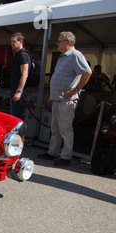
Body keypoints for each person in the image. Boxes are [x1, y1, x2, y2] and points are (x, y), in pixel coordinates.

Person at [38, 31, 92, 167]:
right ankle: (53, 152)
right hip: (58, 98)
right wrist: (52, 96)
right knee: (55, 127)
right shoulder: (63, 57)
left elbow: (87, 72)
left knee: (65, 128)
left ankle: (66, 156)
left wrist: (75, 90)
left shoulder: (75, 55)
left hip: (66, 100)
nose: (57, 43)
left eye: (60, 41)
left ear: (69, 42)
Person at [9, 32, 31, 120]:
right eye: (11, 42)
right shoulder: (19, 54)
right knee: (14, 114)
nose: (12, 44)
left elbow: (24, 74)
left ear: (20, 41)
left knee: (16, 116)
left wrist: (19, 91)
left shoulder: (23, 55)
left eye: (14, 41)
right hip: (15, 88)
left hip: (18, 90)